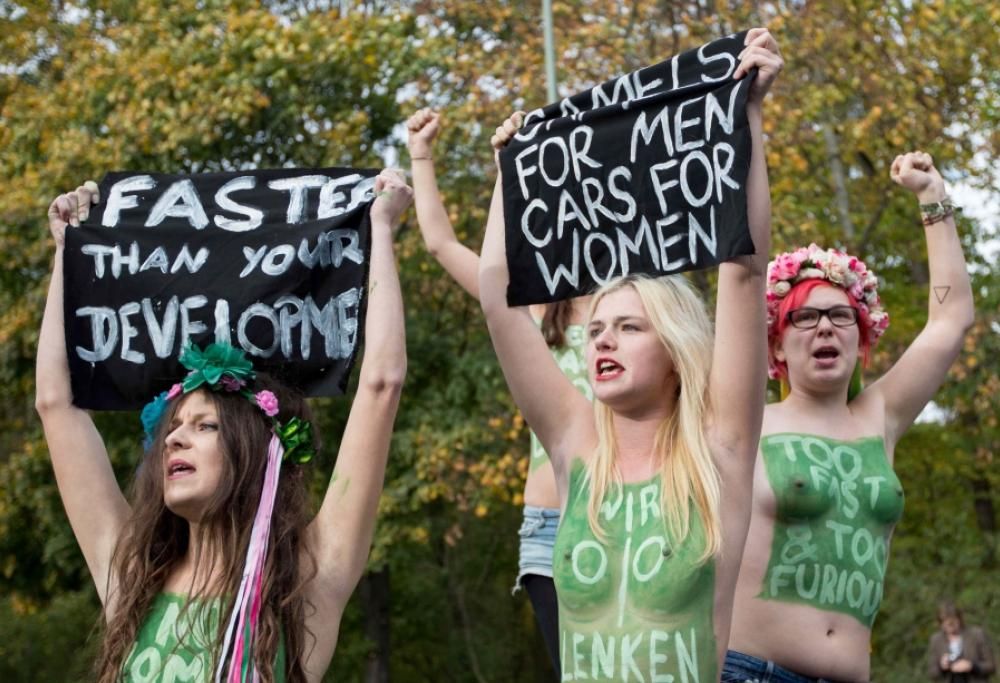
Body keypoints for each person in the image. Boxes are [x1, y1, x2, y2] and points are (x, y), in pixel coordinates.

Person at [479, 29, 782, 681]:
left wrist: (746, 118)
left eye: (629, 328)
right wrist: (513, 182)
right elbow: (496, 295)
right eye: (596, 331)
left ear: (675, 351)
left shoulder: (719, 452)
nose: (603, 339)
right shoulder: (574, 447)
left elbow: (744, 271)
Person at [35, 170, 412, 682]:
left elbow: (381, 386)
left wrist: (381, 230)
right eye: (174, 426)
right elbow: (56, 405)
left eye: (204, 426)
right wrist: (68, 256)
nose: (173, 437)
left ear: (256, 450)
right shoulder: (130, 576)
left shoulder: (306, 581)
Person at [725, 151, 975, 683]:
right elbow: (741, 274)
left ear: (861, 339)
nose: (825, 328)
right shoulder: (745, 424)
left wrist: (933, 198)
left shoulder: (879, 417)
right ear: (776, 345)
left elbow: (951, 320)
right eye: (805, 317)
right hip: (749, 672)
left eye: (841, 316)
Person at [406, 107, 591, 671]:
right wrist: (422, 155)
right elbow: (440, 244)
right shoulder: (533, 310)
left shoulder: (647, 311)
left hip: (633, 520)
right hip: (551, 529)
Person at [927, 601, 996, 683]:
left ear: (959, 619)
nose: (950, 626)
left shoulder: (977, 635)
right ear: (940, 623)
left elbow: (991, 666)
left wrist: (972, 666)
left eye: (953, 622)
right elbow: (932, 673)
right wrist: (941, 666)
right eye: (945, 623)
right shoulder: (936, 640)